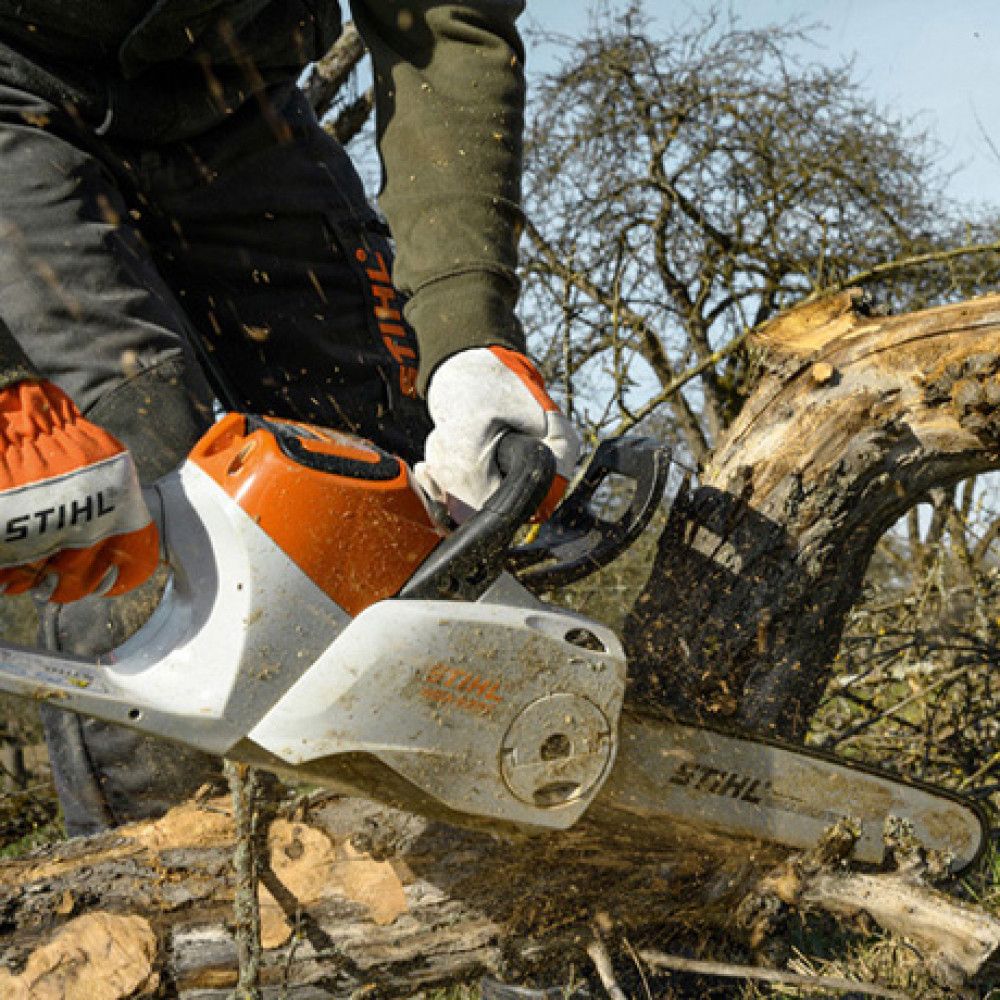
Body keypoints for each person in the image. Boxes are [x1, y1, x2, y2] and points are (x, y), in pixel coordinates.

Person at [0, 1, 579, 836]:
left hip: (235, 88)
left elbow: (441, 20)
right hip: (13, 91)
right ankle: (164, 888)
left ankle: (521, 859)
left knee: (393, 495)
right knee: (136, 492)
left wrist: (467, 333)